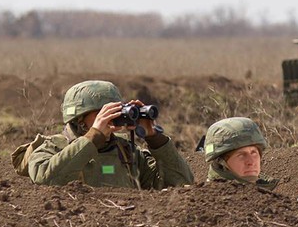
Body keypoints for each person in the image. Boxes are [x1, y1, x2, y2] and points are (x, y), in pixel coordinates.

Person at [28, 80, 194, 188]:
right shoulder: (52, 149)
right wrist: (93, 137)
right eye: (102, 113)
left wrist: (154, 138)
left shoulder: (127, 152)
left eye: (115, 111)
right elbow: (46, 179)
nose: (112, 118)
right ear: (79, 119)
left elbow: (181, 183)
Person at [204, 117, 278, 190]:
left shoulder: (267, 197)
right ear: (221, 162)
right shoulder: (210, 199)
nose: (251, 162)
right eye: (241, 155)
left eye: (254, 153)